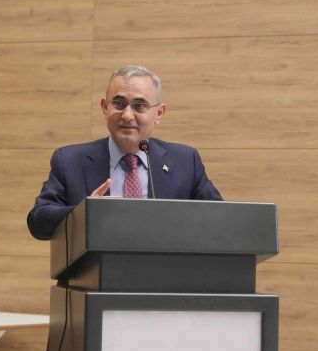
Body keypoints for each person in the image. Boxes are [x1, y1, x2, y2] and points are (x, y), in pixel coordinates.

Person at [27, 65, 223, 240]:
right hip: (95, 269)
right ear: (105, 108)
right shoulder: (69, 161)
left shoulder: (185, 162)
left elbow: (221, 220)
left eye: (139, 106)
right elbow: (38, 222)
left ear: (159, 113)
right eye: (119, 104)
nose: (127, 115)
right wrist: (85, 213)